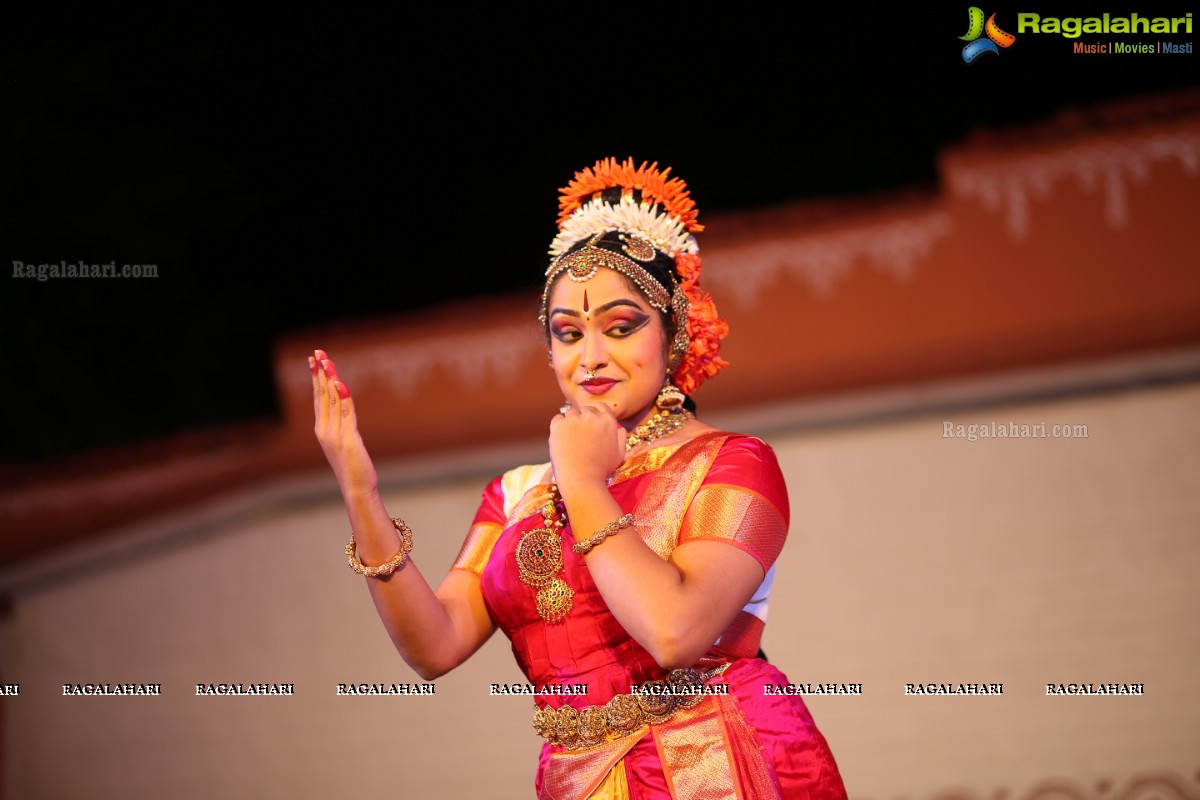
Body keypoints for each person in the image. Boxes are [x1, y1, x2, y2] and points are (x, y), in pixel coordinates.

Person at [309, 157, 848, 799]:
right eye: (568, 334)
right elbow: (435, 646)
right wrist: (360, 493)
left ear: (673, 334)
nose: (591, 357)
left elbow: (674, 630)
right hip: (576, 777)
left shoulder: (732, 462)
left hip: (719, 764)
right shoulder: (514, 493)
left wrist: (582, 479)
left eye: (621, 328)